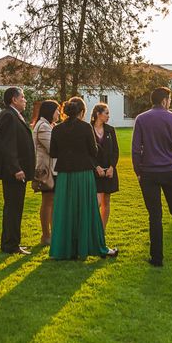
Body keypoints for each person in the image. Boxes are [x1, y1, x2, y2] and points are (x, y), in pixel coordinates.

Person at [132, 87, 172, 267]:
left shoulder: (142, 119)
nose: (170, 102)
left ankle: (157, 257)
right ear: (164, 100)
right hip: (169, 171)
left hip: (149, 173)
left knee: (155, 215)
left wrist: (138, 171)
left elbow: (136, 149)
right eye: (169, 99)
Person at [49, 97, 118, 260]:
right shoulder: (86, 128)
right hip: (84, 173)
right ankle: (88, 245)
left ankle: (65, 248)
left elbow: (53, 152)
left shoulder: (57, 129)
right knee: (86, 209)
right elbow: (93, 152)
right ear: (82, 112)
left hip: (65, 174)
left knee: (66, 210)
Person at [0, 87, 36, 255]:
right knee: (13, 208)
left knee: (15, 208)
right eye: (23, 97)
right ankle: (10, 244)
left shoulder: (13, 115)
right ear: (14, 99)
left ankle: (12, 242)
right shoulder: (8, 116)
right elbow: (7, 145)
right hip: (14, 172)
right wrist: (16, 169)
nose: (25, 100)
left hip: (18, 170)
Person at [33, 100, 60, 246]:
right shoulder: (43, 126)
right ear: (50, 111)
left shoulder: (49, 125)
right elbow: (53, 148)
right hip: (46, 170)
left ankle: (52, 233)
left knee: (52, 201)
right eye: (57, 110)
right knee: (48, 201)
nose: (58, 113)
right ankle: (46, 235)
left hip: (51, 168)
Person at [90, 103, 119, 229]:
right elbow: (87, 152)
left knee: (106, 201)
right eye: (106, 113)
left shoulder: (110, 130)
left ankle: (102, 230)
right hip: (94, 171)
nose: (108, 116)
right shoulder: (88, 129)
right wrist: (96, 167)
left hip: (109, 172)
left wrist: (112, 167)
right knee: (95, 202)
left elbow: (115, 151)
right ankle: (93, 229)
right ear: (98, 114)